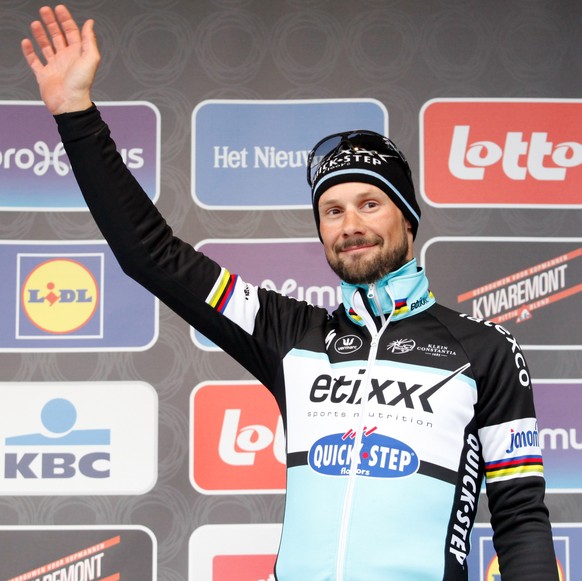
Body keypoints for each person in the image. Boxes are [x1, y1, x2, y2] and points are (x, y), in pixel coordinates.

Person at [22, 5, 559, 580]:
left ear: (409, 220)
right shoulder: (291, 333)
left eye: (369, 204)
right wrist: (75, 114)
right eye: (331, 210)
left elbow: (521, 517)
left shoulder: (486, 352)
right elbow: (152, 257)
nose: (349, 224)